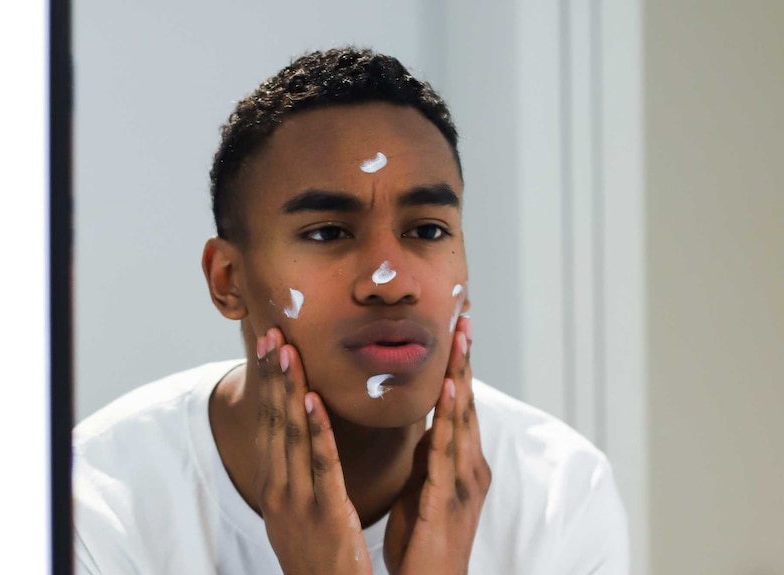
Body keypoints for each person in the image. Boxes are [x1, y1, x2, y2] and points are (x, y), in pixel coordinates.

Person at [73, 47, 629, 574]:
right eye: (329, 232)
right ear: (228, 280)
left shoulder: (560, 493)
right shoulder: (93, 500)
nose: (391, 282)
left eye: (428, 230)